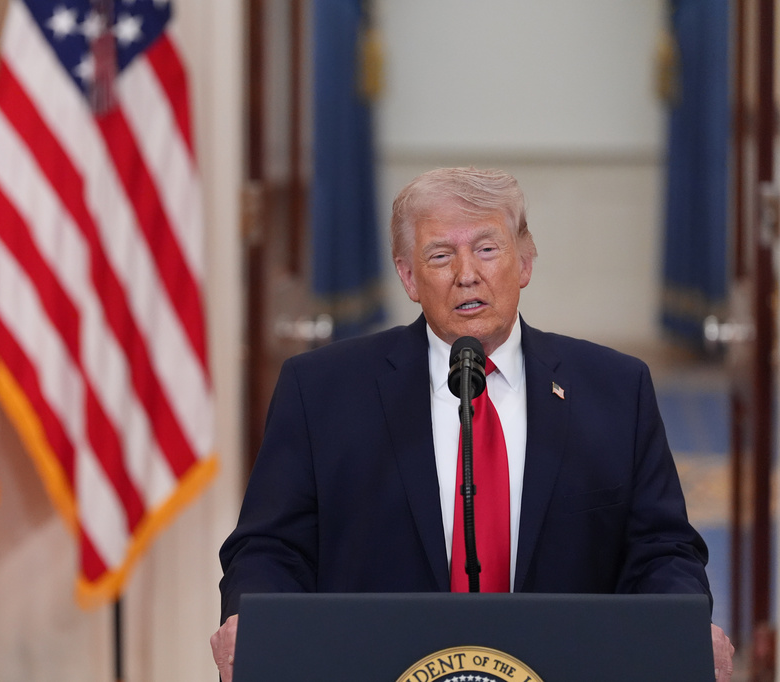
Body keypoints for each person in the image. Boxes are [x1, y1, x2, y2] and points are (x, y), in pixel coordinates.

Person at [210, 167, 734, 681]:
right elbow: (270, 548)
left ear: (524, 262)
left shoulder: (616, 389)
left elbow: (662, 549)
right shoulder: (320, 391)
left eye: (487, 248)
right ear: (408, 277)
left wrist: (682, 625)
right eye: (441, 255)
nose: (467, 274)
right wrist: (252, 621)